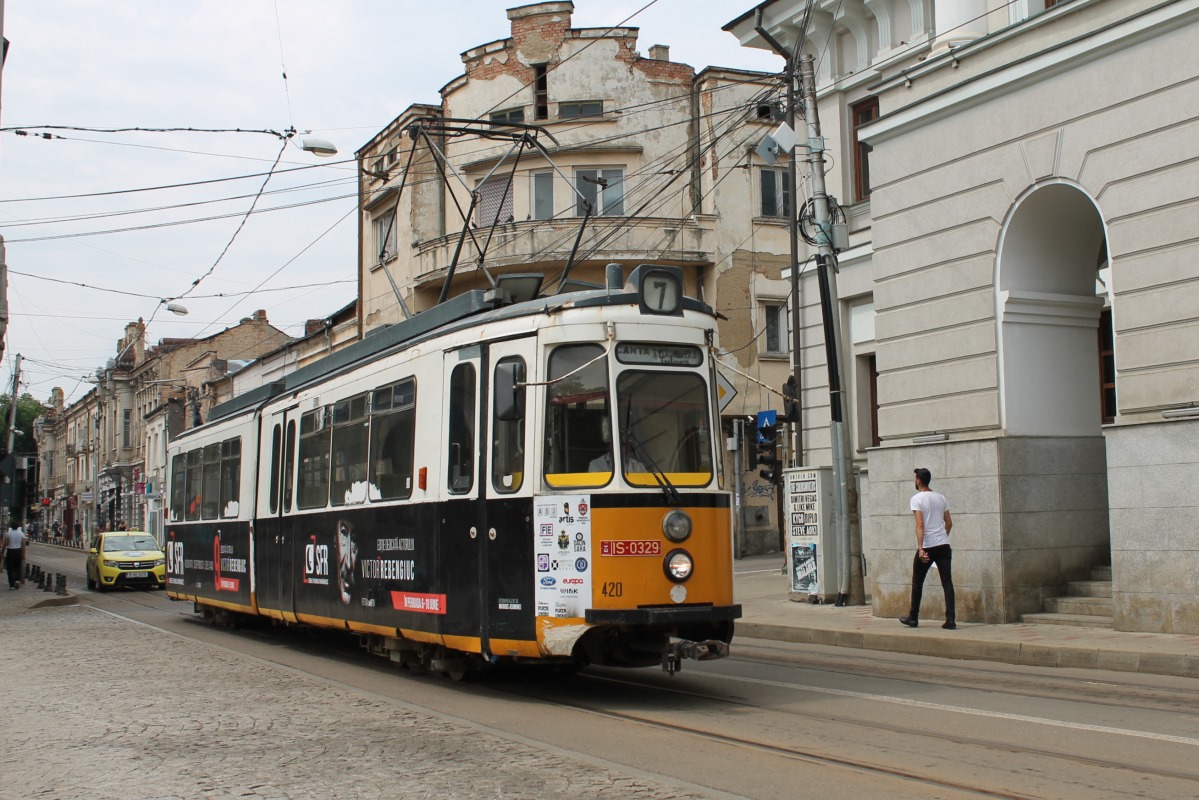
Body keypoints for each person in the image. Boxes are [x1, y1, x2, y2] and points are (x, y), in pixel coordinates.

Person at [899, 467, 956, 630]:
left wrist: (921, 548)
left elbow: (920, 524)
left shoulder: (917, 499)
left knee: (917, 581)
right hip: (943, 545)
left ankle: (913, 617)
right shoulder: (941, 497)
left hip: (928, 545)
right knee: (947, 582)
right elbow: (949, 523)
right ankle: (950, 620)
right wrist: (942, 537)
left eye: (915, 478)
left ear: (918, 480)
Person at [4, 521, 28, 590]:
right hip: (18, 551)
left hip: (10, 552)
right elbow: (23, 545)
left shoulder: (8, 534)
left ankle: (11, 585)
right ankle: (17, 580)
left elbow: (5, 544)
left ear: (11, 526)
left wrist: (2, 553)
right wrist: (23, 555)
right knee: (18, 567)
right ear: (18, 527)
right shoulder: (21, 534)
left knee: (10, 569)